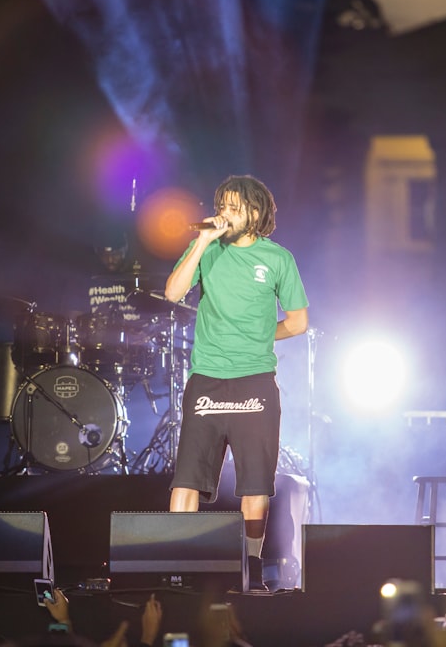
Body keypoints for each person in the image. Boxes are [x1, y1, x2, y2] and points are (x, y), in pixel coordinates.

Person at [164, 174, 309, 592]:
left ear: (256, 212)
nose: (225, 213)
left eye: (234, 206)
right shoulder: (207, 252)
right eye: (222, 204)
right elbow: (173, 293)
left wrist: (261, 334)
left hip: (255, 382)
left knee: (255, 483)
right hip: (206, 378)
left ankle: (250, 567)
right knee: (187, 478)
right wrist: (202, 242)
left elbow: (298, 322)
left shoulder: (278, 259)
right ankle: (178, 564)